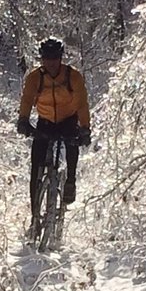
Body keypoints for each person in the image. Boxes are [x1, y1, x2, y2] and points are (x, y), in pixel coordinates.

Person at [17, 37, 91, 222]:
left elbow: (82, 103)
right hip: (46, 121)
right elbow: (27, 99)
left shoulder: (72, 76)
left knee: (72, 143)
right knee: (36, 165)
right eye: (46, 58)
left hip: (68, 119)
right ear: (42, 59)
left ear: (60, 58)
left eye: (54, 58)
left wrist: (85, 128)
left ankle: (70, 182)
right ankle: (35, 214)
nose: (50, 63)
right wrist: (23, 120)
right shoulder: (35, 77)